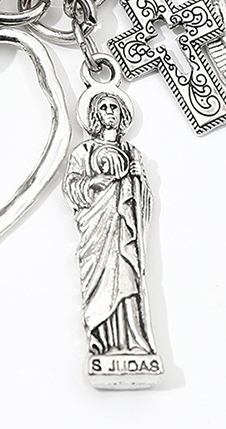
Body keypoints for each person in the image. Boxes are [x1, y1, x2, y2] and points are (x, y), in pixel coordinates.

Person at [63, 92, 157, 356]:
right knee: (101, 276)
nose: (109, 112)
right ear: (95, 114)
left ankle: (132, 342)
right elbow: (70, 186)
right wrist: (92, 183)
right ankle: (102, 341)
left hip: (124, 230)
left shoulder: (131, 152)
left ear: (122, 113)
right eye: (103, 108)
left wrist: (138, 181)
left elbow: (144, 199)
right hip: (97, 227)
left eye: (114, 107)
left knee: (127, 275)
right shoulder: (83, 151)